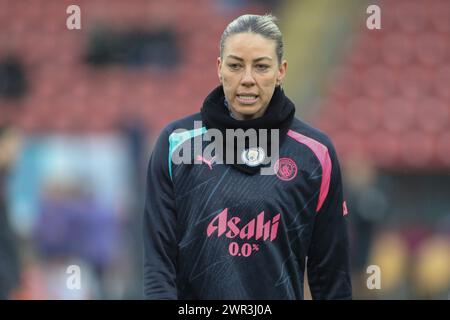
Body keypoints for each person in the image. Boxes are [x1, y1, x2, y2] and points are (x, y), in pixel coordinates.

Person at [143, 14, 352, 299]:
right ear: (219, 68)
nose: (248, 79)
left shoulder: (315, 155)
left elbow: (331, 281)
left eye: (262, 67)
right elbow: (158, 267)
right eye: (235, 66)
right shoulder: (176, 145)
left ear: (281, 71)